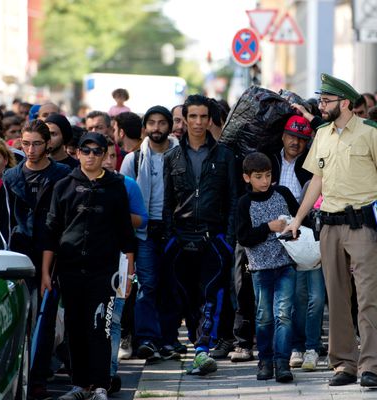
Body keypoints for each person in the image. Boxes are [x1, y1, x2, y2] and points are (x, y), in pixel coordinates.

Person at [283, 73, 377, 388]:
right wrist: (297, 219)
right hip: (329, 224)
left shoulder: (371, 132)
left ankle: (372, 366)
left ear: (345, 103)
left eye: (327, 101)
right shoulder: (322, 134)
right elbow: (316, 183)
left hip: (362, 224)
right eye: (321, 100)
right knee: (336, 298)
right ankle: (343, 365)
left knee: (367, 297)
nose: (321, 106)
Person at [42, 132, 136, 400]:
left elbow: (126, 235)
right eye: (87, 150)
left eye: (98, 151)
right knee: (75, 328)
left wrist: (129, 275)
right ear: (78, 153)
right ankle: (81, 385)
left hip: (104, 272)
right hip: (70, 270)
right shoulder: (63, 186)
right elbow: (51, 231)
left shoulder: (116, 185)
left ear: (106, 154)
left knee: (101, 328)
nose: (92, 156)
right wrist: (46, 274)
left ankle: (101, 385)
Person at [162, 94, 238, 375]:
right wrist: (170, 238)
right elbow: (167, 202)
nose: (197, 122)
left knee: (211, 295)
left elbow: (233, 201)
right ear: (183, 119)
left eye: (202, 117)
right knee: (186, 298)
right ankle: (197, 345)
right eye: (191, 116)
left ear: (210, 120)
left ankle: (203, 349)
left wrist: (228, 241)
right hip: (180, 239)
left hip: (214, 238)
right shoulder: (171, 157)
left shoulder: (225, 156)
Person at [3, 119, 71, 400]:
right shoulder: (10, 177)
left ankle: (39, 377)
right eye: (25, 143)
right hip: (16, 254)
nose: (30, 149)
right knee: (18, 319)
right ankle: (17, 374)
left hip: (52, 255)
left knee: (44, 321)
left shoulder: (62, 175)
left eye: (37, 144)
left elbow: (62, 221)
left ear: (48, 144)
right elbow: (4, 220)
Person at [120, 105, 184, 361]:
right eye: (152, 123)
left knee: (172, 286)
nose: (157, 128)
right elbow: (121, 197)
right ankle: (146, 339)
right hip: (144, 232)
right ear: (145, 127)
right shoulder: (133, 159)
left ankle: (169, 339)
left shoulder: (182, 155)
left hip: (173, 230)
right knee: (147, 286)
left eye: (162, 123)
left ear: (170, 126)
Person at [236, 152, 299, 382]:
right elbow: (243, 237)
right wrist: (268, 227)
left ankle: (283, 362)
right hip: (260, 269)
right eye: (258, 176)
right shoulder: (244, 203)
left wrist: (294, 231)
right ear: (247, 178)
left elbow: (302, 220)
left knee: (284, 315)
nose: (264, 181)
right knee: (263, 317)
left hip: (285, 265)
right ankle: (265, 360)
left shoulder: (282, 194)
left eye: (268, 175)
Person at [269, 115, 324, 372]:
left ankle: (311, 347)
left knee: (313, 297)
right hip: (274, 238)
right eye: (292, 136)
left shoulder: (312, 166)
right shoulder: (269, 160)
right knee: (286, 299)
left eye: (302, 139)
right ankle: (294, 346)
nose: (296, 142)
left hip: (306, 237)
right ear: (283, 135)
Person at [101, 137, 148, 394]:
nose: (106, 161)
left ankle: (109, 373)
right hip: (86, 264)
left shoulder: (126, 184)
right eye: (101, 155)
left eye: (110, 155)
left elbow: (142, 220)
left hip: (119, 261)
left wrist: (118, 213)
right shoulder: (75, 184)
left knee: (113, 319)